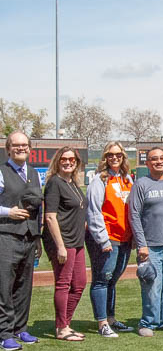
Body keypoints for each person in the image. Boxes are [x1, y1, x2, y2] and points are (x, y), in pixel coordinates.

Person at [129, 147, 163, 337]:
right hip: (150, 245)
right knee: (151, 284)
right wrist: (141, 243)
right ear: (147, 163)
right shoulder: (141, 184)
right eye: (154, 159)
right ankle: (148, 322)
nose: (158, 161)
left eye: (162, 158)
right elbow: (134, 215)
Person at [85, 141, 134, 338]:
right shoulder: (99, 180)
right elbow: (93, 212)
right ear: (105, 157)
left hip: (124, 238)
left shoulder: (127, 179)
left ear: (123, 158)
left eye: (118, 155)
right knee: (102, 279)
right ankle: (102, 322)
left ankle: (111, 319)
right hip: (107, 237)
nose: (115, 158)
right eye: (110, 155)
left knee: (112, 280)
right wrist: (102, 240)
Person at [0, 131, 43, 351]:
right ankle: (5, 333)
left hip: (29, 237)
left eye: (24, 145)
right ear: (8, 149)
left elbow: (39, 207)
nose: (20, 148)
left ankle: (20, 328)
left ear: (29, 148)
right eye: (16, 145)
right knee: (4, 287)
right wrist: (9, 212)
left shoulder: (34, 173)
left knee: (24, 286)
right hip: (6, 235)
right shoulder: (1, 171)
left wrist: (38, 237)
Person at [43, 146, 88, 341]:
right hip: (63, 241)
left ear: (77, 163)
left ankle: (65, 323)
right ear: (58, 161)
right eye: (64, 159)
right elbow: (50, 217)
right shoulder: (55, 183)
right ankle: (62, 328)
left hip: (77, 241)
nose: (68, 162)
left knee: (79, 284)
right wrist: (60, 246)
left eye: (72, 159)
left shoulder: (73, 184)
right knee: (63, 284)